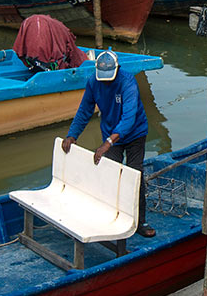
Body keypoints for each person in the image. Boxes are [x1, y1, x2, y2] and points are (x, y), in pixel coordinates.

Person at [61, 50, 156, 238]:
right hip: (110, 134)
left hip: (134, 133)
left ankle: (141, 220)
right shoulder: (93, 83)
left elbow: (129, 117)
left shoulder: (127, 82)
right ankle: (116, 216)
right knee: (112, 175)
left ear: (117, 69)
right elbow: (84, 111)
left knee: (135, 174)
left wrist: (108, 143)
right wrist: (72, 135)